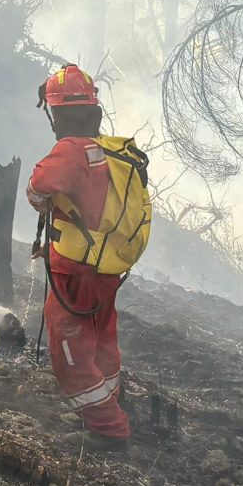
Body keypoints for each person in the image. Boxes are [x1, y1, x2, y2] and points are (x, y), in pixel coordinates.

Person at [25, 65, 151, 448]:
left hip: (76, 272)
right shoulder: (107, 151)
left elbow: (37, 187)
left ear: (57, 112)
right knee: (100, 341)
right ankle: (112, 401)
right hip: (105, 268)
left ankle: (110, 432)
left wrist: (41, 201)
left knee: (71, 357)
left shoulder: (71, 151)